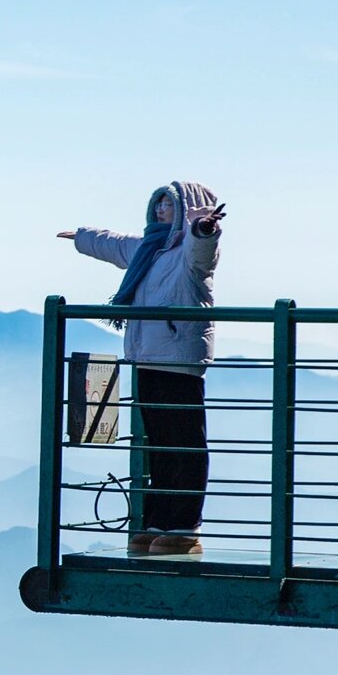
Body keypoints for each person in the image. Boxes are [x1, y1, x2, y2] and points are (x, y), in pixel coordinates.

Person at [58, 182, 225, 557]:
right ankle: (157, 521)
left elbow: (204, 250)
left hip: (179, 358)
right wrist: (81, 237)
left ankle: (184, 525)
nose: (162, 209)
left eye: (170, 203)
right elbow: (114, 244)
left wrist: (204, 228)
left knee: (183, 442)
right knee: (159, 444)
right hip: (148, 355)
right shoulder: (150, 248)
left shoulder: (188, 252)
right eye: (159, 203)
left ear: (188, 208)